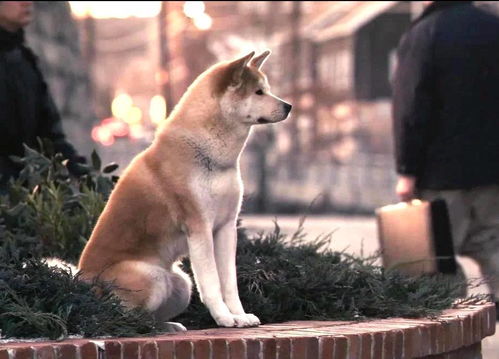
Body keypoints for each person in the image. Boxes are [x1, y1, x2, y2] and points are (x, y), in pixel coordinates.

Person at [392, 0, 499, 307]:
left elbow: (411, 107)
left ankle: (453, 332)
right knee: (492, 242)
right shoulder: (494, 27)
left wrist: (406, 170)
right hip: (494, 170)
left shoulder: (424, 33)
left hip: (441, 173)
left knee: (437, 256)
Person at [0, 1, 86, 192]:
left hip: (22, 198)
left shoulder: (23, 60)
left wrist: (86, 175)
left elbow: (50, 135)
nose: (27, 2)